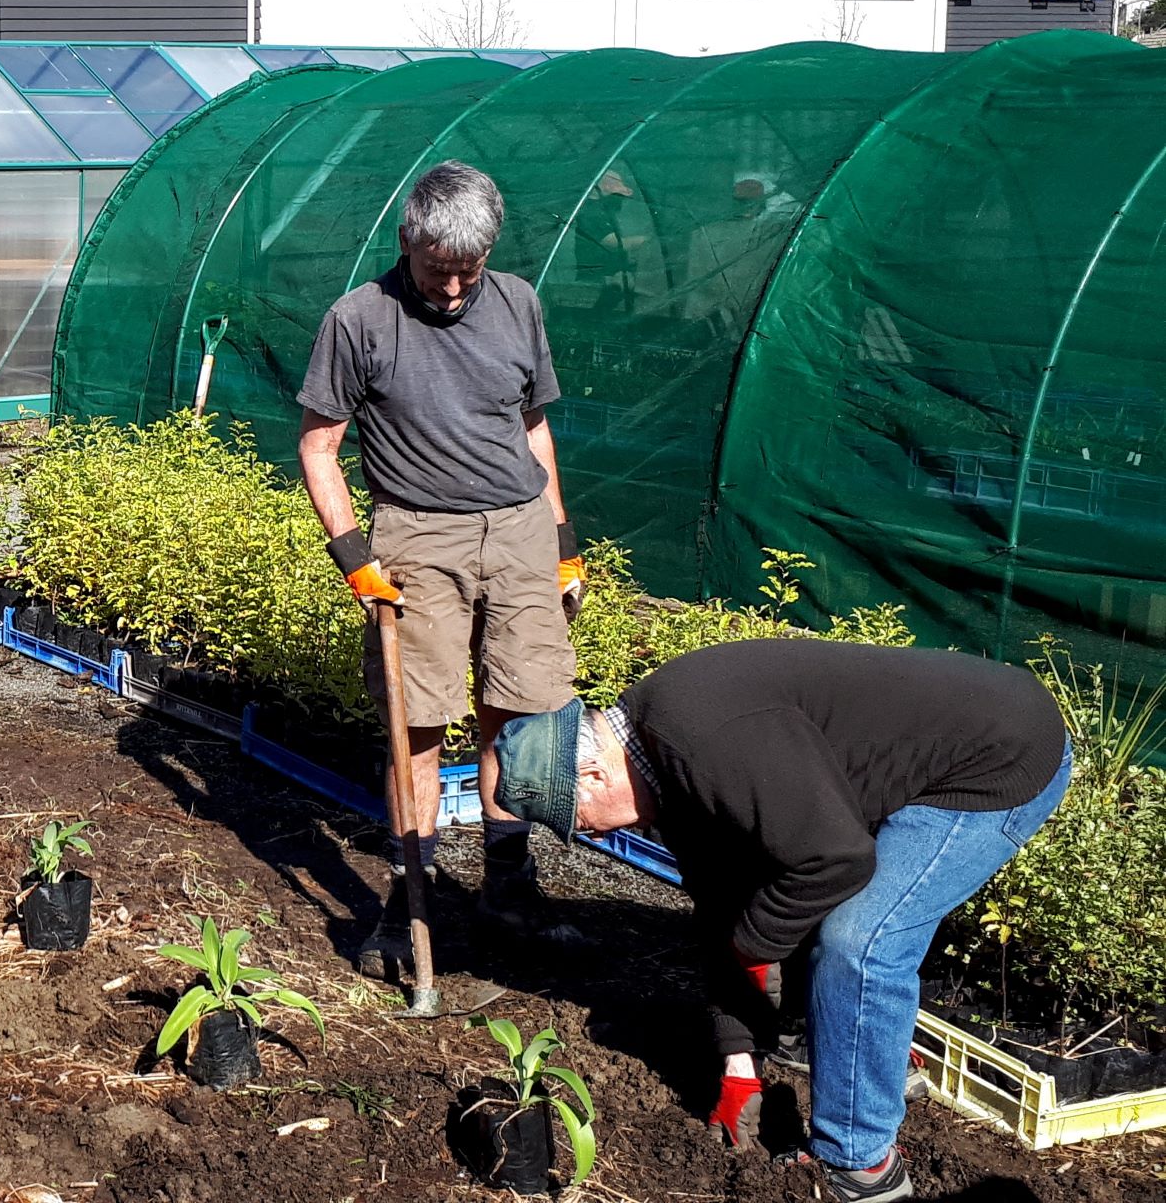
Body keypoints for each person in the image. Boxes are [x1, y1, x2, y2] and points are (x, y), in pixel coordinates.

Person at [493, 639, 1071, 1202]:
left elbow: (836, 860)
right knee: (800, 908)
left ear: (593, 774)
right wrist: (737, 1056)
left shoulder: (705, 738)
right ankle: (861, 1058)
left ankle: (862, 1167)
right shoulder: (665, 761)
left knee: (860, 942)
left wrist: (755, 944)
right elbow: (721, 903)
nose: (594, 833)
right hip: (927, 759)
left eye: (580, 820)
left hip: (997, 756)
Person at [293, 160, 589, 962]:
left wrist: (563, 546)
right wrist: (354, 557)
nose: (454, 289)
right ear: (406, 242)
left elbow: (534, 429)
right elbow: (320, 447)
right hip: (419, 538)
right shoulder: (358, 320)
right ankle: (405, 902)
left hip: (521, 531)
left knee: (517, 715)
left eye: (468, 272)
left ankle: (507, 886)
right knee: (414, 727)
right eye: (437, 271)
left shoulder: (519, 301)